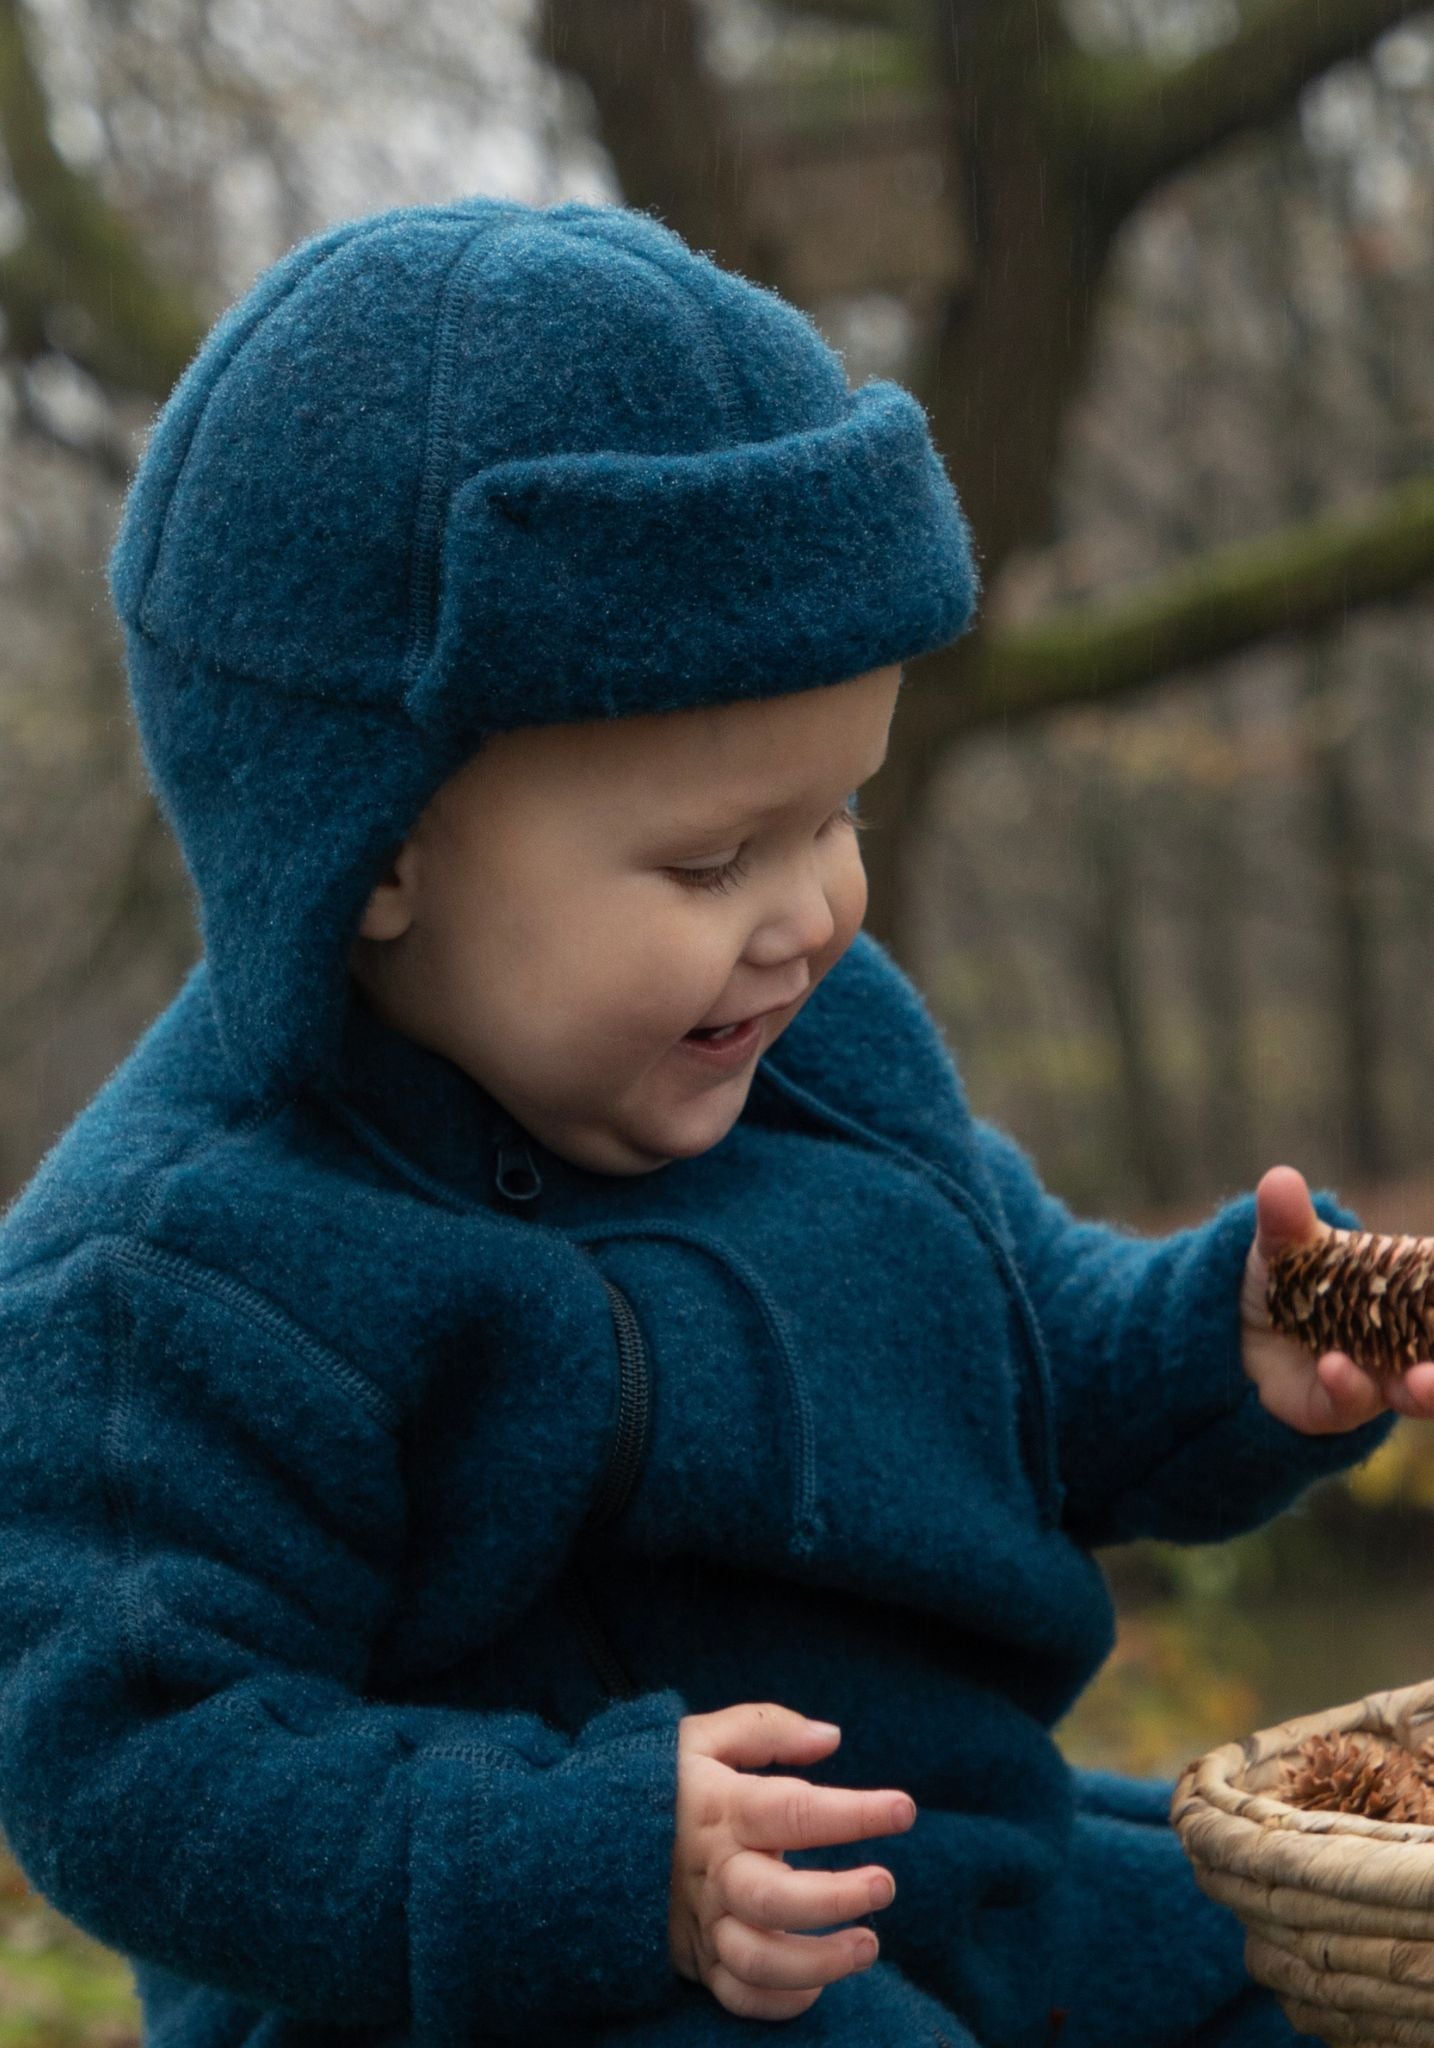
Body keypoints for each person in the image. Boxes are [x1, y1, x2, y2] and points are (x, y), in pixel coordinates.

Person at [0, 193, 1426, 2048]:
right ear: (372, 852)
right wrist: (591, 1859)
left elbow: (1016, 1342)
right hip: (540, 1982)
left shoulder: (812, 1047)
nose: (813, 911)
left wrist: (1214, 1342)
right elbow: (133, 1765)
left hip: (960, 1876)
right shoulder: (178, 1271)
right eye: (708, 855)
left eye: (836, 811)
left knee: (1303, 1987)